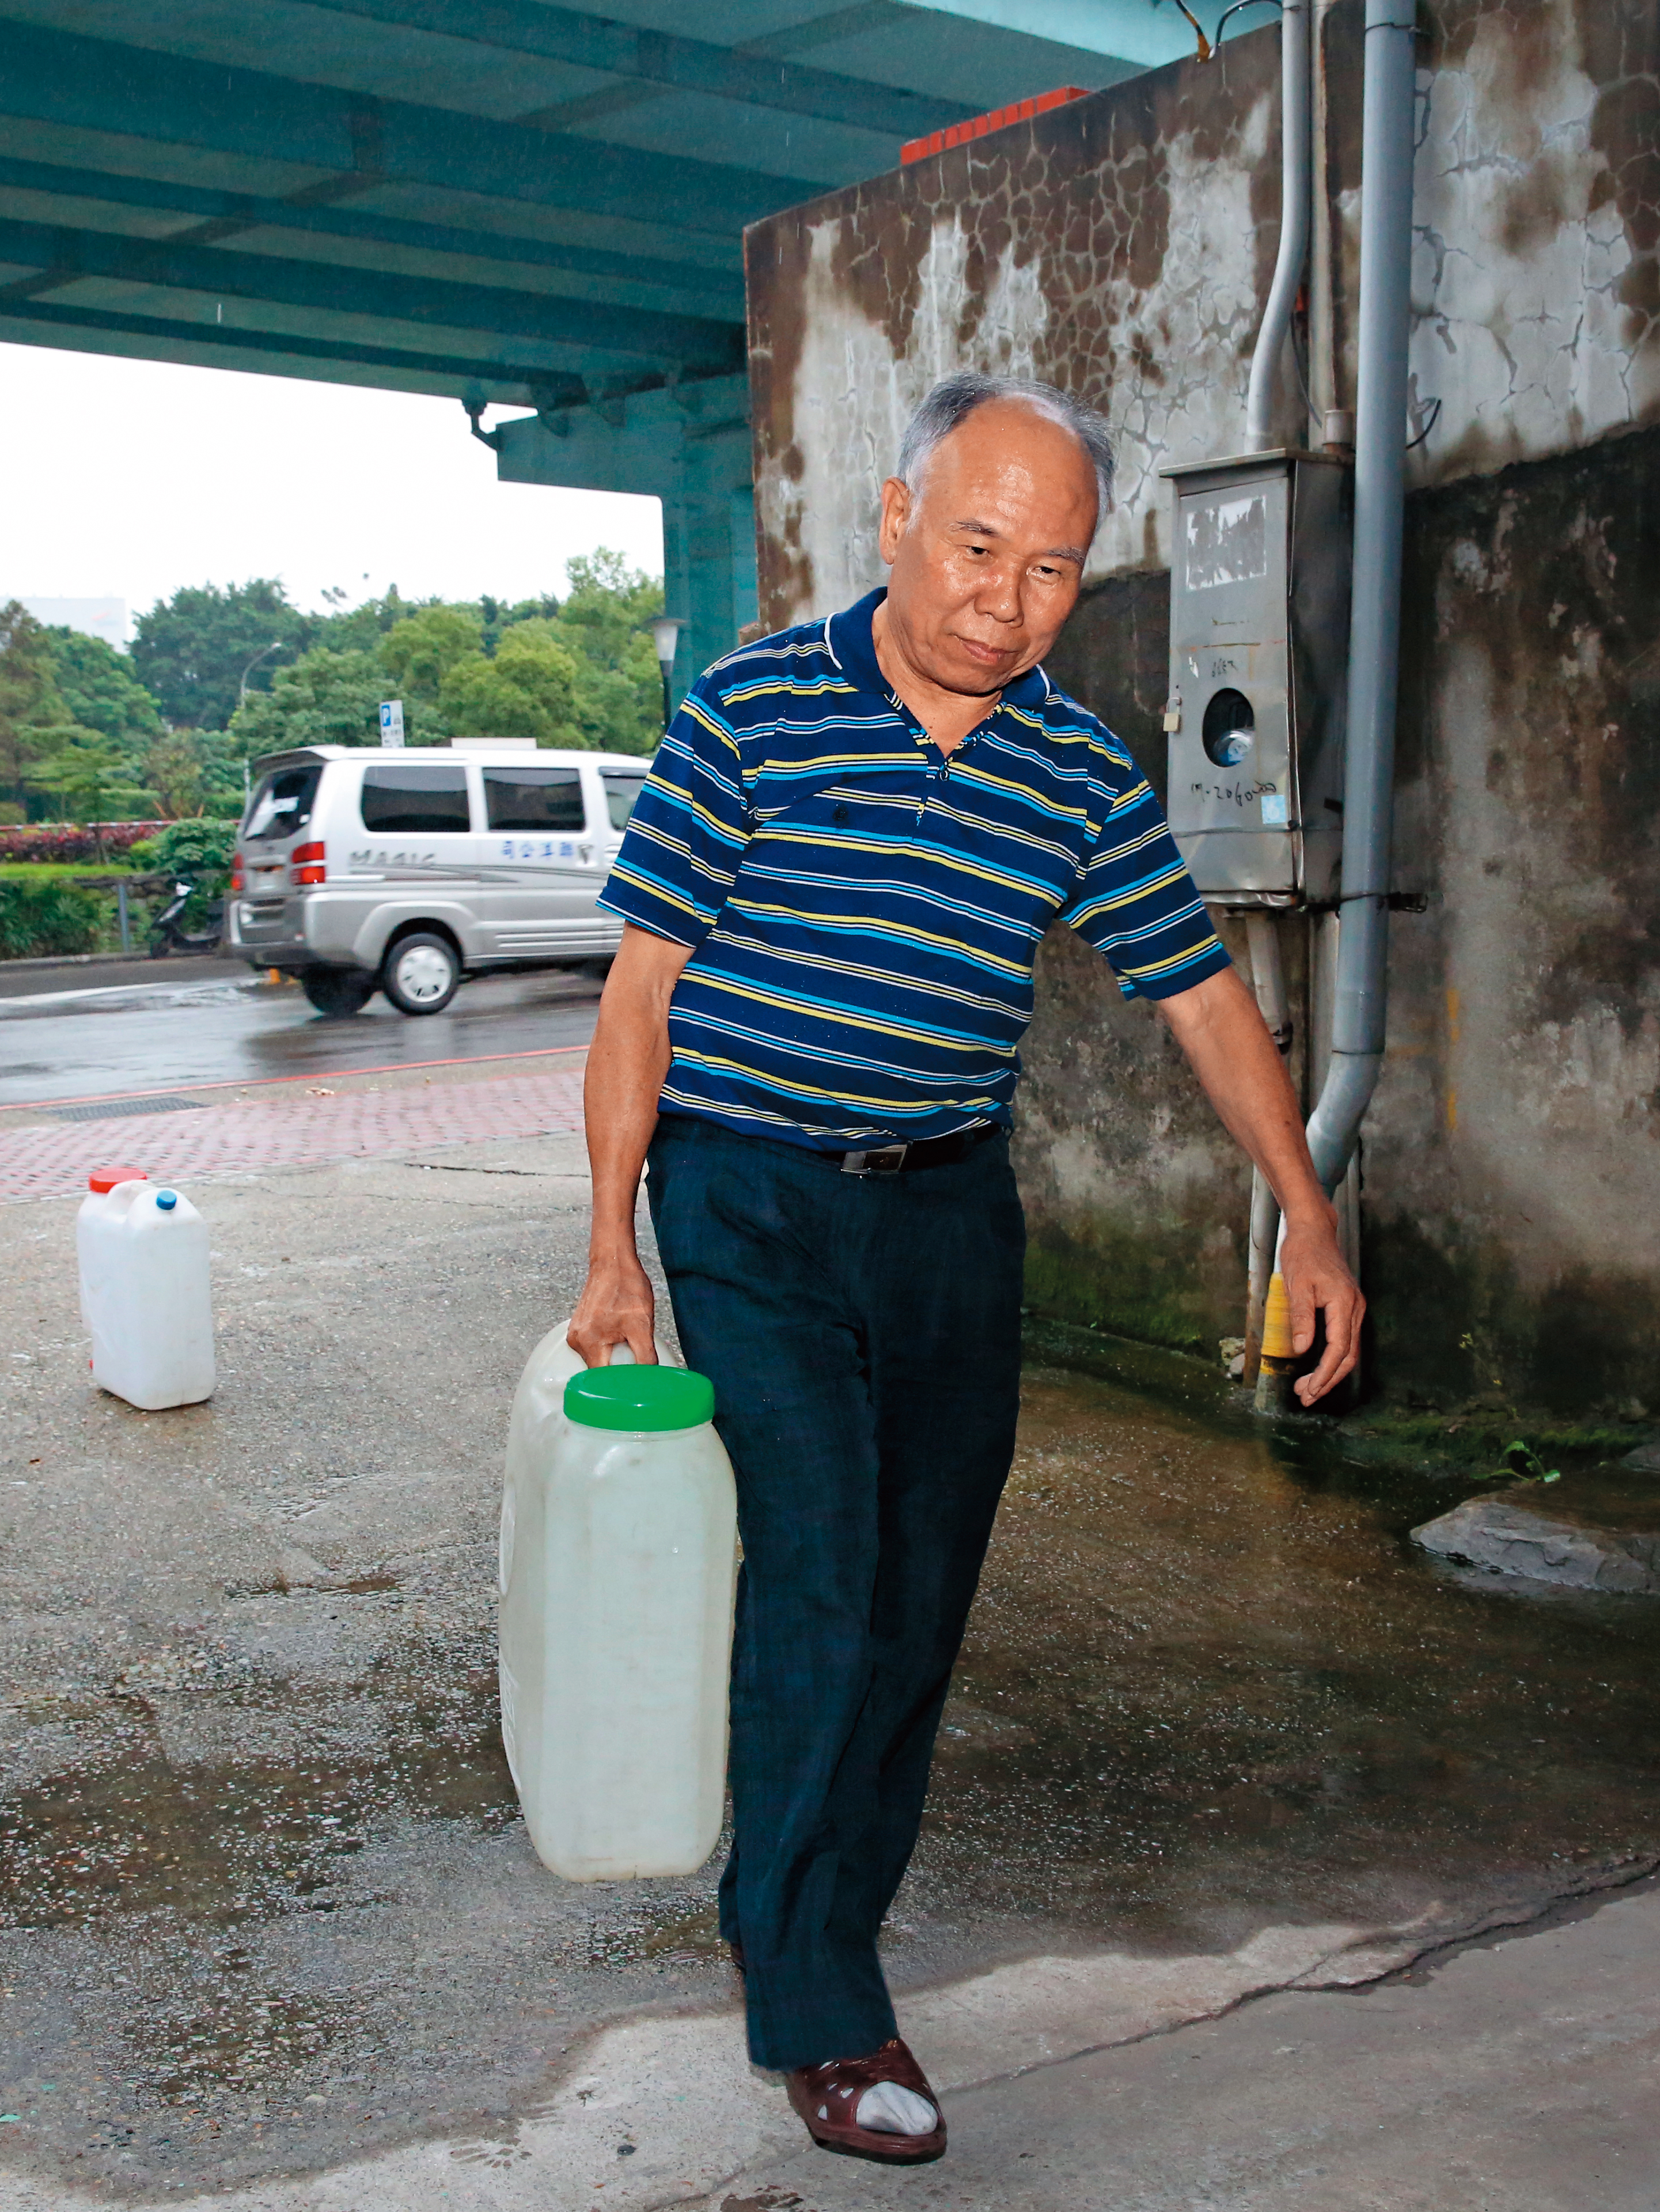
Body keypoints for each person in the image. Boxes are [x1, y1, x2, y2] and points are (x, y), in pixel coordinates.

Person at [569, 370, 1363, 2165]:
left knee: (916, 1608)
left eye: (1057, 569)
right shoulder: (754, 710)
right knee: (827, 1579)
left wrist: (1310, 1211)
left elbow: (1199, 992)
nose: (1007, 599)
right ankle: (823, 2005)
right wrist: (611, 1242)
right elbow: (644, 989)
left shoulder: (1074, 764)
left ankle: (788, 1907)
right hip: (749, 1197)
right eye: (980, 544)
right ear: (898, 520)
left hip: (946, 1213)